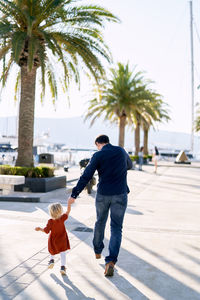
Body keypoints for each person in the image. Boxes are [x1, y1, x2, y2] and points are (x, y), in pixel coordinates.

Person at [68, 134, 133, 277]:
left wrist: (74, 194)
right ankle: (110, 261)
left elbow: (86, 175)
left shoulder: (98, 155)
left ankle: (98, 250)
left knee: (100, 222)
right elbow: (130, 165)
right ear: (108, 142)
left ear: (98, 144)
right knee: (116, 227)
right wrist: (117, 171)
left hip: (103, 194)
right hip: (120, 194)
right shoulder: (121, 151)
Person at [35, 199, 73, 276]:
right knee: (63, 253)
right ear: (60, 211)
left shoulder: (50, 221)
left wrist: (39, 229)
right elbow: (68, 211)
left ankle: (51, 260)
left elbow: (46, 231)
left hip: (53, 240)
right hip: (62, 240)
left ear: (51, 212)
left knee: (51, 250)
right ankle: (62, 267)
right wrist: (69, 203)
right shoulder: (62, 218)